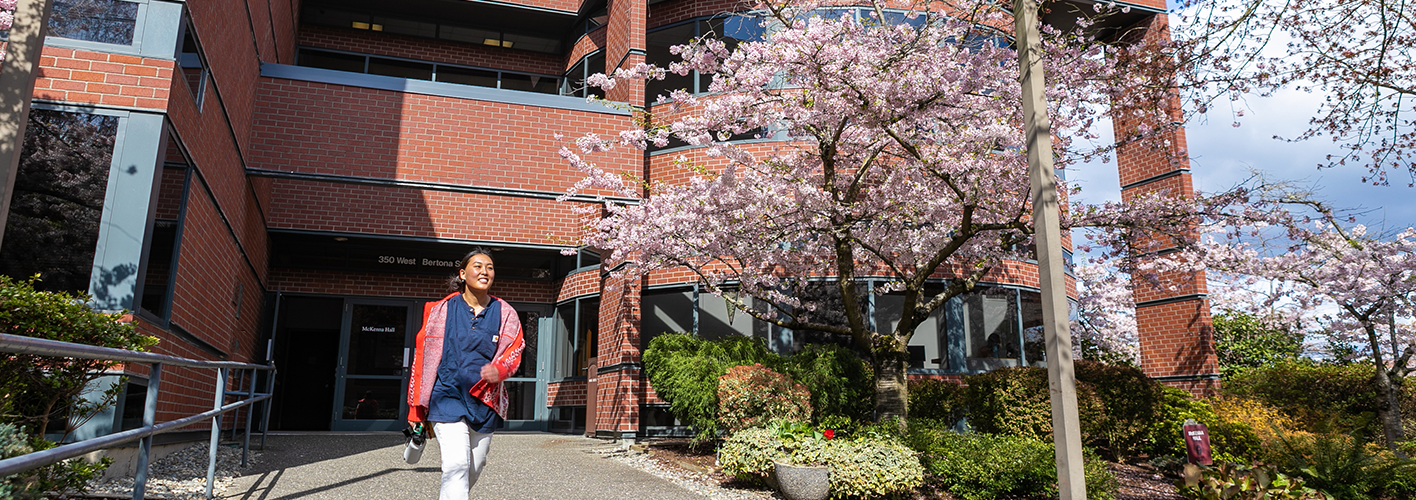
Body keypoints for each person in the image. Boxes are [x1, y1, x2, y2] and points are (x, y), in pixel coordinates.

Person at [406, 248, 524, 500]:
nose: (485, 271)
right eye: (478, 266)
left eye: (490, 267)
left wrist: (500, 369)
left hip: (484, 403)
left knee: (474, 467)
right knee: (456, 465)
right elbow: (423, 360)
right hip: (446, 397)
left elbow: (515, 350)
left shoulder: (506, 313)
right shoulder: (442, 310)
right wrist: (416, 410)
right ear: (463, 273)